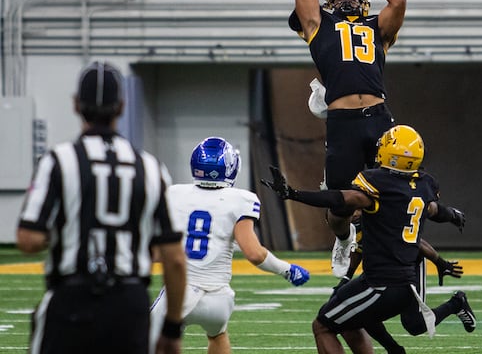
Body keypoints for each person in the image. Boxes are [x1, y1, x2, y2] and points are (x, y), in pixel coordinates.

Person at [16, 61, 187, 354]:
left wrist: (69, 229)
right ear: (121, 107)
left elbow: (28, 239)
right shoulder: (150, 168)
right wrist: (172, 327)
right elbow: (174, 259)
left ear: (76, 104)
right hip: (129, 305)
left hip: (71, 300)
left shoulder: (58, 161)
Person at [263, 125, 474, 354]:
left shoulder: (377, 185)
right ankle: (395, 348)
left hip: (383, 284)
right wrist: (453, 215)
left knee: (322, 326)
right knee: (350, 317)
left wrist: (293, 194)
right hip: (402, 281)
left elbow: (341, 198)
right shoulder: (423, 185)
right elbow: (433, 210)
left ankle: (399, 345)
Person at [291, 0, 406, 278]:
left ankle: (392, 249)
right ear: (327, 4)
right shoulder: (318, 26)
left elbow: (399, 0)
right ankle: (343, 239)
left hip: (378, 115)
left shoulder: (377, 29)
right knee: (340, 205)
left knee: (391, 193)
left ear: (365, 3)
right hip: (342, 122)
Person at [149, 137, 310, 354]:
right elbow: (254, 253)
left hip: (179, 293)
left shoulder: (174, 194)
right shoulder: (241, 199)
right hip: (218, 300)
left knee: (148, 342)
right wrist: (287, 270)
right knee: (218, 335)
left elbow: (158, 248)